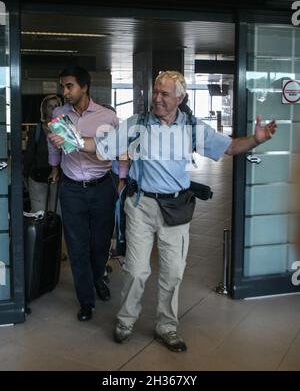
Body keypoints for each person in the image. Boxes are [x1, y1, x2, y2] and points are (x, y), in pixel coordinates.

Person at [49, 70, 277, 351]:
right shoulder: (137, 124)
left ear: (180, 98)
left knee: (173, 272)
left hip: (176, 208)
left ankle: (166, 327)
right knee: (135, 270)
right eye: (156, 92)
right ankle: (125, 321)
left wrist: (256, 139)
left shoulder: (192, 127)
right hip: (141, 205)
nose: (157, 98)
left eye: (164, 94)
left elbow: (229, 147)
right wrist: (71, 141)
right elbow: (100, 145)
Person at [48, 66, 127, 322]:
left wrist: (122, 178)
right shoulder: (59, 114)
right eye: (62, 86)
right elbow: (55, 146)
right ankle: (86, 300)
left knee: (100, 244)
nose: (65, 91)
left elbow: (120, 149)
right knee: (77, 245)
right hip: (71, 188)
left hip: (102, 186)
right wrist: (54, 168)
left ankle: (97, 279)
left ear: (84, 87)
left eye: (69, 86)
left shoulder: (107, 116)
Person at [23, 94, 62, 212]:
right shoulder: (37, 131)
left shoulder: (65, 130)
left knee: (58, 215)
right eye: (50, 106)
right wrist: (24, 176)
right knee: (38, 214)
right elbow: (29, 155)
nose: (54, 109)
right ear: (44, 109)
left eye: (56, 106)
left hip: (58, 178)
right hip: (38, 178)